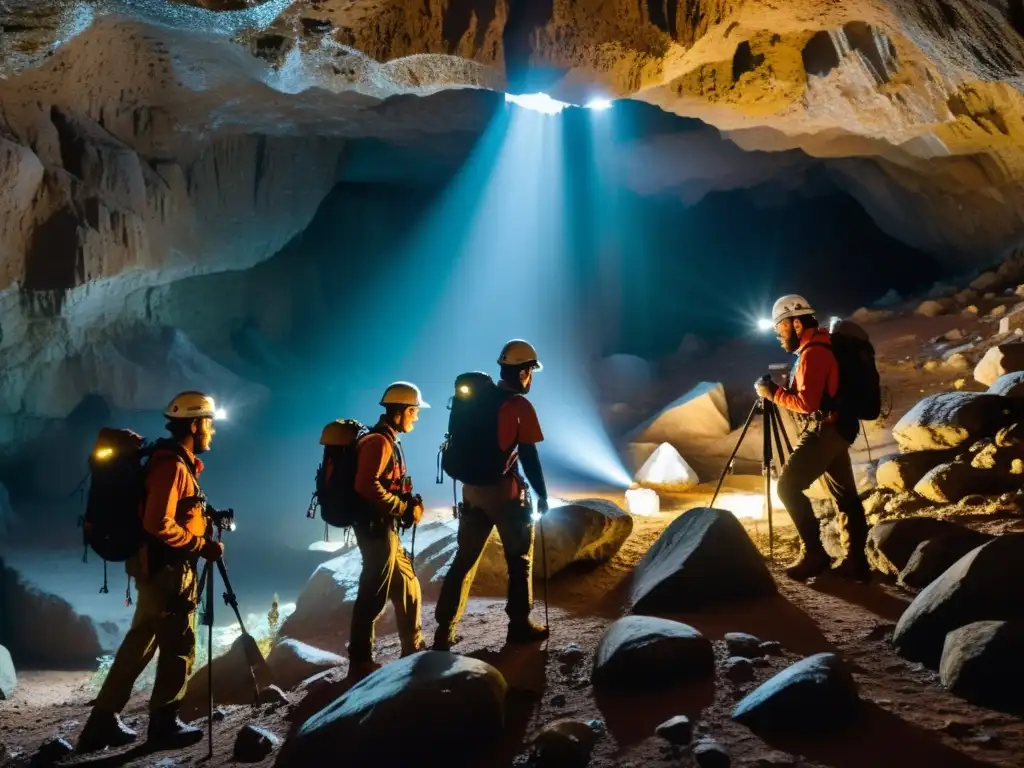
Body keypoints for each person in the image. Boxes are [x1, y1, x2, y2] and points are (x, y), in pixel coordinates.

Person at [77, 392, 225, 753]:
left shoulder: (175, 462)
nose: (213, 431)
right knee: (179, 645)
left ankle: (101, 723)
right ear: (194, 424)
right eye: (209, 422)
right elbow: (158, 522)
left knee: (138, 644)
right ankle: (163, 725)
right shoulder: (172, 466)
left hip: (156, 569)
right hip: (168, 571)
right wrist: (200, 545)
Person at [433, 339, 551, 650]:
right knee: (519, 559)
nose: (531, 378)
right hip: (503, 494)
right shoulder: (518, 406)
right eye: (531, 372)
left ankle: (443, 631)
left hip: (471, 491)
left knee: (464, 560)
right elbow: (529, 456)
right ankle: (519, 625)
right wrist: (542, 494)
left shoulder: (475, 401)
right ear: (524, 372)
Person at [755, 295, 870, 582]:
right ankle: (856, 561)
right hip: (839, 429)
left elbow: (807, 403)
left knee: (787, 488)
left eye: (780, 328)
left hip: (826, 432)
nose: (779, 336)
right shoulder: (818, 347)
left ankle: (815, 554)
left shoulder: (814, 353)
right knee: (845, 496)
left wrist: (772, 394)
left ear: (795, 323)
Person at [347, 382, 427, 677]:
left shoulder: (388, 440)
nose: (416, 418)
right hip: (375, 531)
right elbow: (365, 485)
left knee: (408, 584)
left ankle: (412, 646)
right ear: (404, 411)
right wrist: (403, 507)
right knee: (373, 594)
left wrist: (404, 503)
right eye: (415, 412)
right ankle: (360, 662)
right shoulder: (379, 443)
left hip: (384, 528)